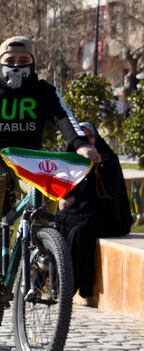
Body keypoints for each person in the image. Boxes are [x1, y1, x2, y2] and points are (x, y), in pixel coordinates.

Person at [0, 36, 101, 330]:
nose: (17, 67)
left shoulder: (43, 91)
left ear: (33, 63)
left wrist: (79, 144)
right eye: (10, 61)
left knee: (49, 188)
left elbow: (64, 117)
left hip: (27, 162)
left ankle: (41, 248)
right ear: (0, 62)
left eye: (24, 61)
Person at [55, 122, 132, 305]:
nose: (87, 141)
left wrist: (77, 199)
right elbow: (64, 186)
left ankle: (75, 284)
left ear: (96, 138)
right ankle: (50, 281)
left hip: (105, 215)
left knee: (79, 232)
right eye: (82, 138)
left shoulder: (107, 160)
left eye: (90, 137)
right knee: (57, 223)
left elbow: (108, 195)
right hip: (78, 212)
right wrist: (66, 197)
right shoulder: (71, 158)